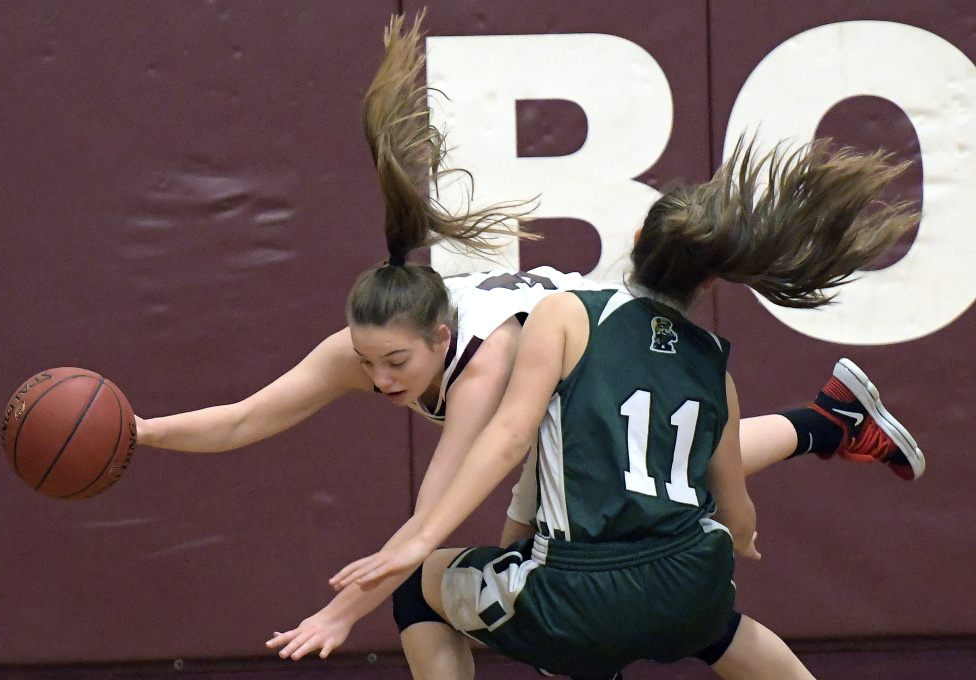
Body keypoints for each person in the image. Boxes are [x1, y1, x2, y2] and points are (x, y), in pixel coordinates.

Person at [132, 12, 922, 670]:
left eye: (397, 365)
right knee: (661, 477)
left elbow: (440, 509)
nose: (379, 380)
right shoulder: (381, 337)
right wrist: (137, 433)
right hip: (643, 457)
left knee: (452, 576)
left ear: (441, 336)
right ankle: (829, 420)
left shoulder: (496, 364)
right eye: (365, 362)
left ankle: (828, 423)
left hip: (579, 379)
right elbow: (243, 418)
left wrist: (344, 610)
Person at [317, 120, 920, 679]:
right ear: (710, 280)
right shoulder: (715, 362)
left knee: (417, 589)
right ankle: (828, 424)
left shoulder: (564, 314)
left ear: (634, 241)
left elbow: (509, 440)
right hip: (692, 586)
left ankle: (828, 425)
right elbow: (737, 515)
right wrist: (738, 540)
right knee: (710, 621)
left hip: (579, 603)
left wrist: (424, 537)